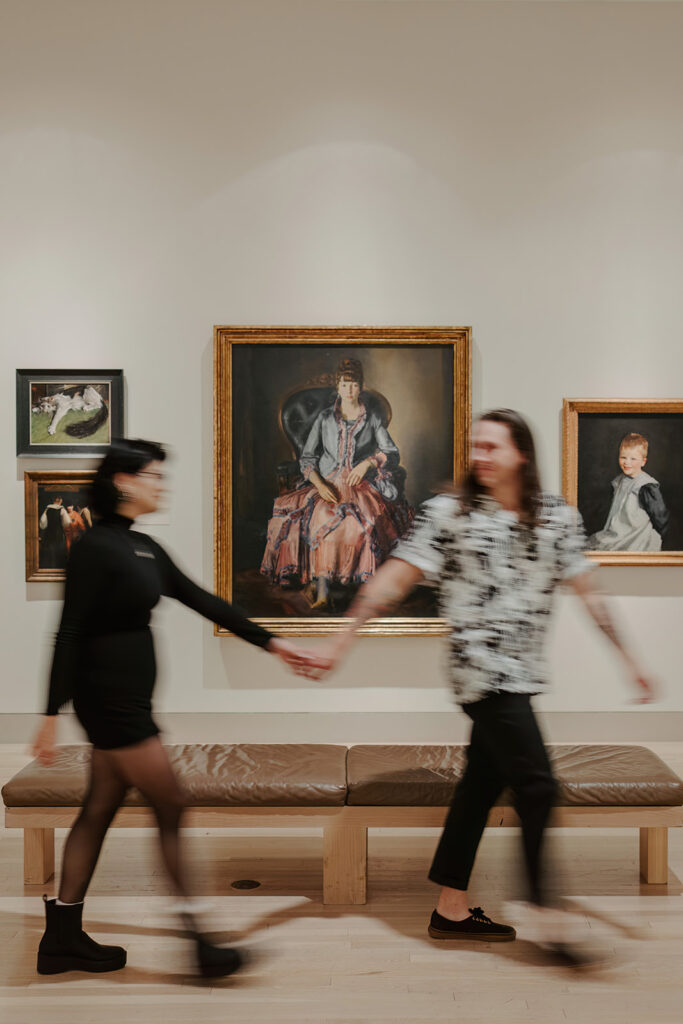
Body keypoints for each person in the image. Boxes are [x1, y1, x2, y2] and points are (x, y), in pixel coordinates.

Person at [312, 409, 655, 960]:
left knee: (480, 783)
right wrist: (341, 639)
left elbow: (589, 590)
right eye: (477, 446)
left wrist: (628, 659)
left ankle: (450, 908)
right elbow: (394, 578)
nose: (481, 456)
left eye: (493, 446)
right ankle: (546, 910)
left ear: (521, 453)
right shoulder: (450, 513)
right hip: (482, 674)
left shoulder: (554, 517)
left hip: (523, 671)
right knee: (538, 785)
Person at [31, 438, 323, 978]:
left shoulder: (143, 548)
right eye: (153, 476)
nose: (161, 485)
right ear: (123, 481)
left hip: (126, 703)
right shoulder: (95, 548)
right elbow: (69, 631)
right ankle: (199, 942)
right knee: (172, 804)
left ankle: (62, 937)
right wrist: (49, 715)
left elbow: (204, 601)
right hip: (112, 706)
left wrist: (275, 644)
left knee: (99, 809)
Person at [261, 357, 413, 609]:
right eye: (345, 384)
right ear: (338, 386)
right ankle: (321, 588)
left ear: (361, 387)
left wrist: (367, 464)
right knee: (322, 520)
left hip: (360, 486)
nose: (349, 390)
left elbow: (392, 453)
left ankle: (358, 590)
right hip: (327, 484)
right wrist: (319, 484)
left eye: (354, 385)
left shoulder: (372, 418)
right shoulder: (324, 419)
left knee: (359, 527)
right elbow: (307, 458)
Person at [588, 432, 669, 551]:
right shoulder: (619, 481)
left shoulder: (646, 486)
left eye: (633, 459)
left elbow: (660, 518)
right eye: (623, 457)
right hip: (617, 531)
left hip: (637, 537)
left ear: (643, 461)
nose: (627, 462)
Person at [39, 496, 70, 568]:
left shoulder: (47, 509)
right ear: (60, 500)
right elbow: (67, 523)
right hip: (58, 533)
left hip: (48, 534)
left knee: (49, 552)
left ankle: (50, 567)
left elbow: (42, 523)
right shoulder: (62, 510)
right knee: (58, 551)